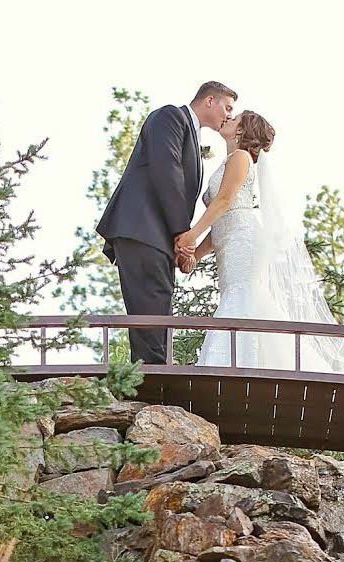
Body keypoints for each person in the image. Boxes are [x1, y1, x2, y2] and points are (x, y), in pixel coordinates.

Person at [182, 111, 344, 372]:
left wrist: (191, 236)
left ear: (242, 131)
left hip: (245, 241)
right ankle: (244, 363)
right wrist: (195, 253)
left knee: (243, 296)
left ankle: (238, 367)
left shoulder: (241, 158)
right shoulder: (230, 160)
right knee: (239, 297)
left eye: (235, 118)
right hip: (230, 242)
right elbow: (222, 223)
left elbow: (224, 202)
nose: (228, 118)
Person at [97, 81, 236, 364]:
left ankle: (150, 384)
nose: (230, 116)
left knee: (156, 311)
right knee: (150, 314)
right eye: (227, 107)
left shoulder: (192, 137)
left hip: (157, 238)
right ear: (209, 100)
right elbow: (167, 172)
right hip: (142, 229)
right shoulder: (170, 116)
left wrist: (181, 245)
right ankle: (152, 388)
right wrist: (182, 236)